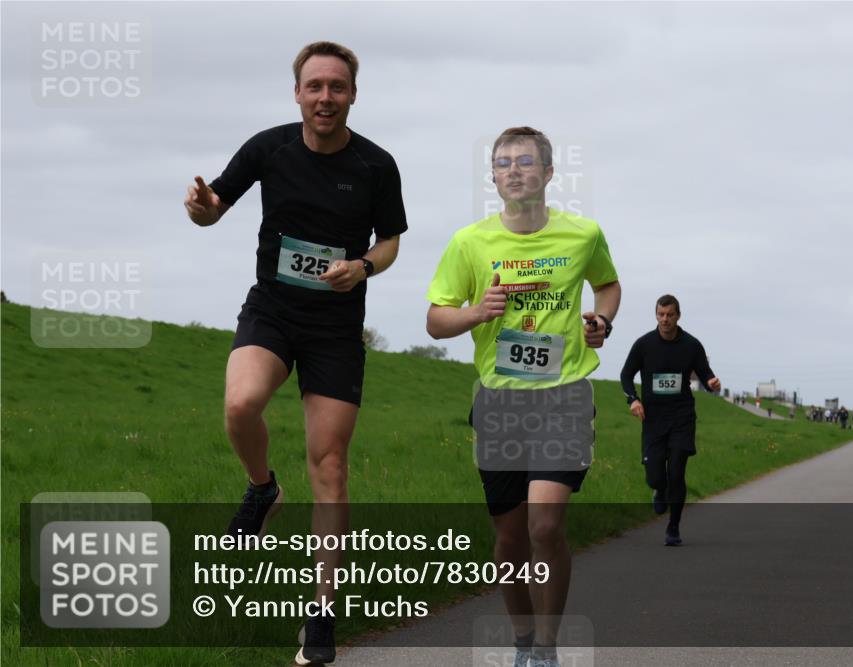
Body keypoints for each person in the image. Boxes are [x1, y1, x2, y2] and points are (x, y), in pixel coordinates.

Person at [184, 41, 407, 667]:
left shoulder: (376, 165)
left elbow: (390, 242)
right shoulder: (268, 148)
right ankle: (262, 489)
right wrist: (201, 210)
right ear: (298, 94)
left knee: (330, 466)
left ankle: (321, 613)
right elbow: (213, 211)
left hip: (336, 328)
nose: (326, 97)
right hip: (273, 311)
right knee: (240, 404)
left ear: (353, 95)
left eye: (337, 87)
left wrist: (362, 266)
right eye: (315, 87)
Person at [426, 127, 621, 667]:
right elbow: (435, 321)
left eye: (526, 162)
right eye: (503, 163)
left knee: (545, 525)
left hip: (563, 396)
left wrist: (600, 319)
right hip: (500, 402)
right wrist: (475, 312)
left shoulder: (583, 235)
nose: (514, 170)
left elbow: (608, 284)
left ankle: (547, 649)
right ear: (492, 176)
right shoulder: (470, 243)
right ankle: (520, 640)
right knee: (511, 541)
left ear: (549, 174)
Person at [620, 294, 721, 547]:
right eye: (660, 314)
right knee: (655, 476)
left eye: (669, 315)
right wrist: (633, 399)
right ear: (656, 315)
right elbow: (625, 375)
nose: (665, 319)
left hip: (681, 416)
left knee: (676, 472)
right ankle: (659, 489)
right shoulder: (644, 345)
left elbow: (706, 374)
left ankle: (673, 527)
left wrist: (711, 383)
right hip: (653, 418)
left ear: (678, 316)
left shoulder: (692, 345)